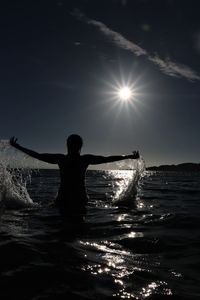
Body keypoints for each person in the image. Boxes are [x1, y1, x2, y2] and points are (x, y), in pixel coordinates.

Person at [10, 135, 139, 217]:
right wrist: (129, 156)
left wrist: (18, 146)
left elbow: (37, 155)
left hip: (64, 201)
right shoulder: (83, 159)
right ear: (80, 146)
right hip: (79, 201)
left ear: (67, 145)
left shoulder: (62, 159)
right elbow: (107, 159)